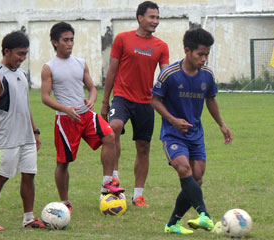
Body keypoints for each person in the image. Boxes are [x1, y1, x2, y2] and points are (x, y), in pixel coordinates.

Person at [151, 27, 232, 235]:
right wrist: (172, 120)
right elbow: (154, 99)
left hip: (196, 135)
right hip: (173, 133)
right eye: (200, 54)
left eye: (207, 55)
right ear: (187, 51)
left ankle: (172, 224)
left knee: (196, 179)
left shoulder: (207, 75)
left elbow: (211, 99)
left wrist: (221, 124)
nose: (204, 59)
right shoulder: (170, 74)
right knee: (184, 170)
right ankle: (204, 214)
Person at [41, 22, 123, 213]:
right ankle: (65, 202)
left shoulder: (80, 62)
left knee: (110, 136)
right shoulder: (49, 67)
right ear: (54, 42)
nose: (70, 44)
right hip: (66, 120)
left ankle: (107, 184)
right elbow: (45, 97)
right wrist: (65, 109)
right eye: (65, 40)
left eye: (72, 40)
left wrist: (92, 99)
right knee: (63, 162)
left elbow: (92, 88)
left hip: (86, 116)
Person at [100, 1, 169, 207]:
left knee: (144, 147)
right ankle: (112, 179)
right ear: (140, 18)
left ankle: (138, 195)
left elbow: (165, 76)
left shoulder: (161, 46)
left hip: (146, 102)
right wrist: (105, 101)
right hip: (122, 97)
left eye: (157, 18)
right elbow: (111, 71)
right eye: (151, 17)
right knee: (114, 128)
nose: (155, 21)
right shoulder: (123, 39)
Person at [0, 31, 45, 231]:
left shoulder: (21, 74)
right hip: (6, 137)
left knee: (29, 174)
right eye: (19, 54)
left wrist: (35, 131)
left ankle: (28, 218)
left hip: (26, 136)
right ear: (7, 51)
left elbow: (25, 105)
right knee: (1, 176)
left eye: (25, 54)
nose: (23, 58)